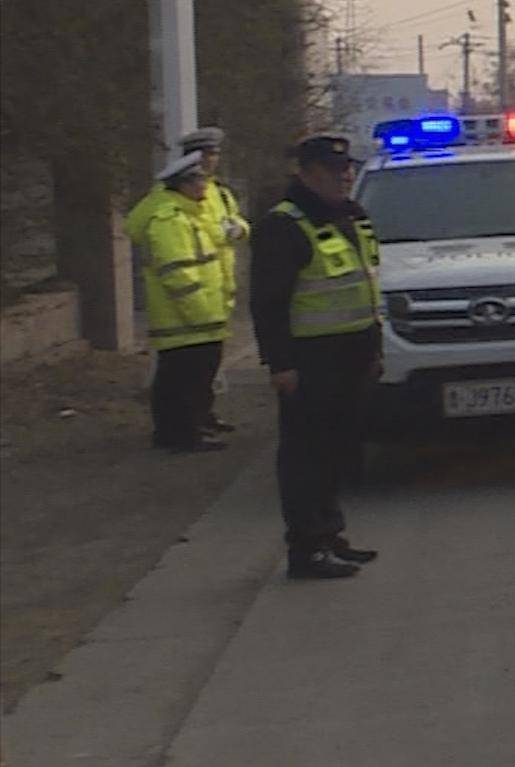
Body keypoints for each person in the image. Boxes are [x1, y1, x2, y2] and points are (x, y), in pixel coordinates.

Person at [249, 134, 383, 580]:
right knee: (306, 457)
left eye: (347, 170)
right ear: (305, 175)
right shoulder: (284, 226)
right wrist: (280, 363)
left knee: (335, 453)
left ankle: (330, 535)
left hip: (351, 354)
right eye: (333, 171)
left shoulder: (349, 216)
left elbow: (366, 286)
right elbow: (268, 303)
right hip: (310, 361)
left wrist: (374, 348)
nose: (345, 177)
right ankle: (306, 548)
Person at [126, 152, 233, 453]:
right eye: (197, 179)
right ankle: (178, 436)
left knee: (191, 377)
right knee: (181, 379)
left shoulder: (187, 213)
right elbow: (177, 273)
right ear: (182, 184)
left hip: (198, 317)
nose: (203, 184)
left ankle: (187, 430)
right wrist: (200, 312)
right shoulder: (169, 219)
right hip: (185, 319)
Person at [177, 125, 248, 436]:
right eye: (206, 154)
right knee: (188, 367)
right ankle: (188, 422)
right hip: (194, 292)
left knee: (209, 363)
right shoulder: (178, 190)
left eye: (214, 154)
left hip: (217, 289)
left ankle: (204, 414)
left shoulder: (219, 192)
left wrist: (239, 229)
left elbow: (240, 223)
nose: (212, 161)